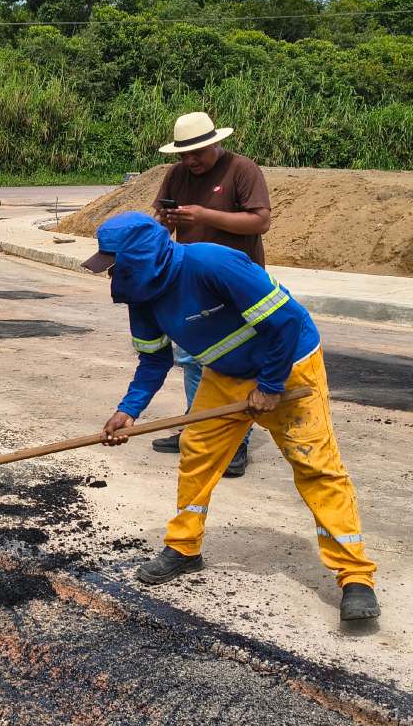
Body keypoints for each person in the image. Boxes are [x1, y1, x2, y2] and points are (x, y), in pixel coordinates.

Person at [86, 212, 379, 621]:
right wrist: (128, 410)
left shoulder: (213, 264)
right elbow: (154, 360)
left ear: (142, 255)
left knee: (316, 466)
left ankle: (355, 576)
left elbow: (287, 322)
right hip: (224, 374)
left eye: (115, 264)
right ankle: (184, 547)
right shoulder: (143, 296)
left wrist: (272, 386)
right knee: (197, 454)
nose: (111, 274)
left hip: (290, 365)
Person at [149, 111, 272, 479]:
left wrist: (204, 216)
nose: (190, 161)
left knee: (235, 364)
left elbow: (260, 221)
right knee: (191, 359)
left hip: (238, 286)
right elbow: (159, 216)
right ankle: (198, 426)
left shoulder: (242, 170)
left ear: (214, 143)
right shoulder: (176, 175)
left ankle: (235, 443)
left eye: (196, 154)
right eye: (183, 155)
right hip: (192, 284)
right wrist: (165, 224)